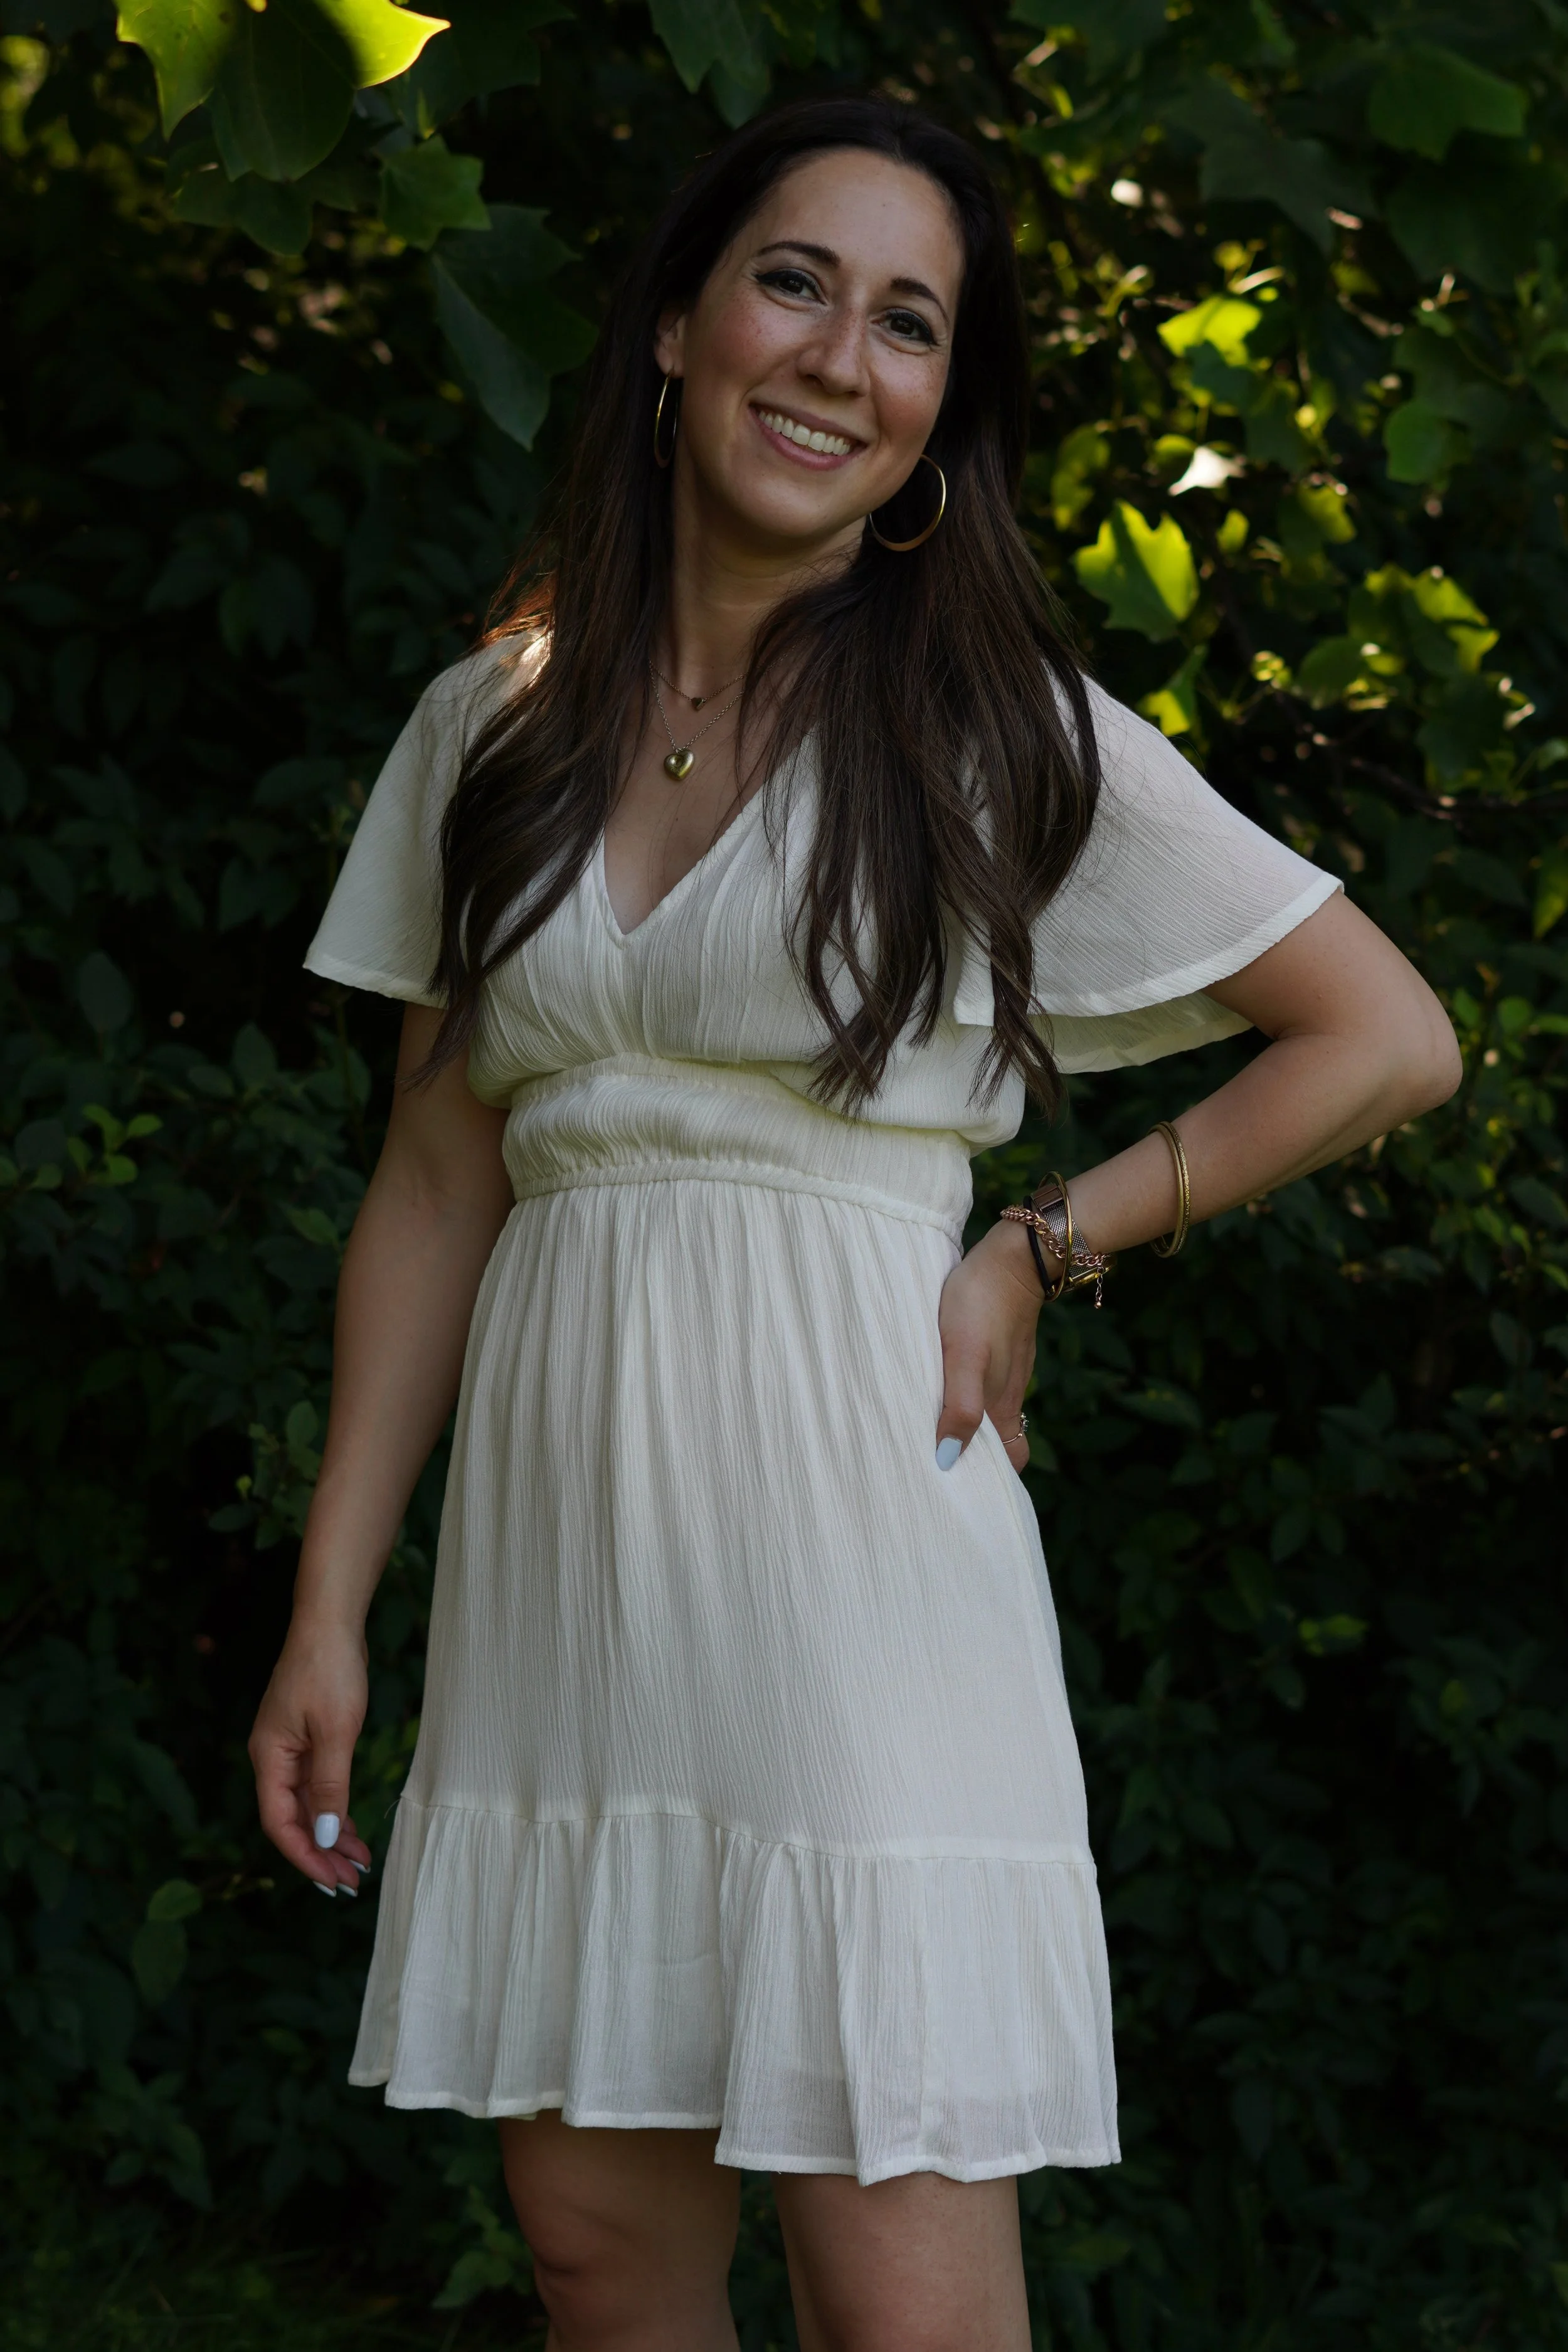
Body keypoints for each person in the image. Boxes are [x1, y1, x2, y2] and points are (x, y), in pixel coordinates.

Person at [248, 94, 1461, 2352]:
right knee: (596, 2238)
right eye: (796, 282)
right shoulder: (487, 728)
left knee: (894, 2276)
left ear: (932, 425)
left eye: (909, 325)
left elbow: (1380, 1033)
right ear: (678, 331)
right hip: (563, 1568)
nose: (837, 356)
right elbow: (433, 1177)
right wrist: (333, 1602)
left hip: (848, 1537)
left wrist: (1046, 1244)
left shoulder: (981, 727)